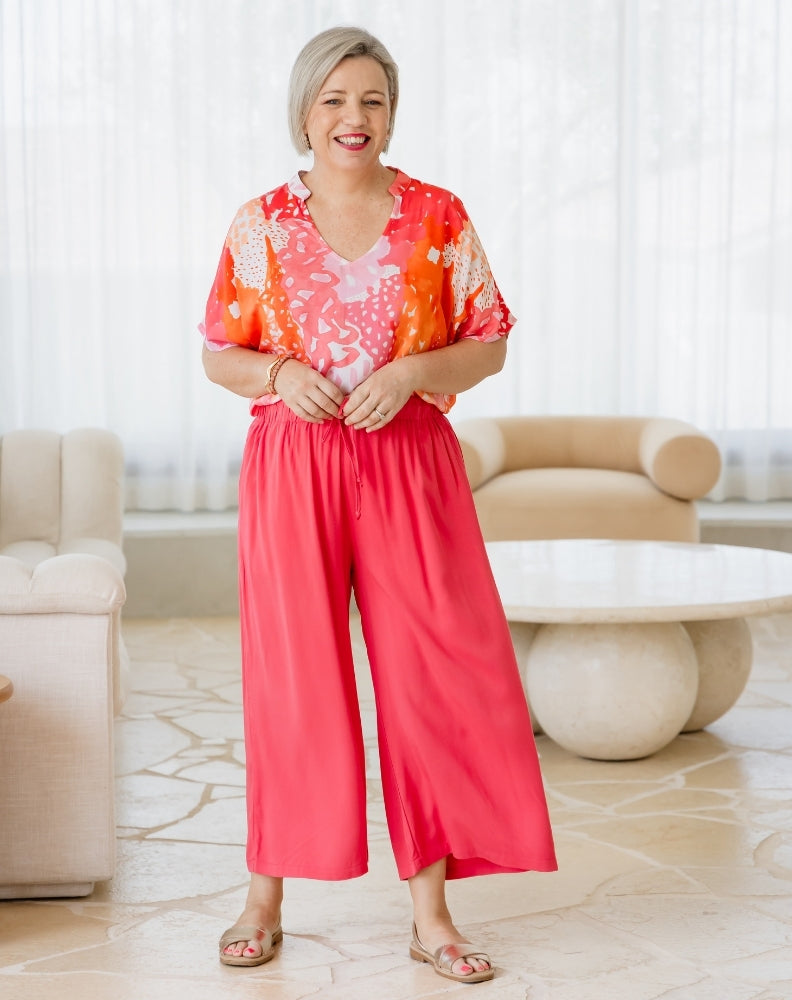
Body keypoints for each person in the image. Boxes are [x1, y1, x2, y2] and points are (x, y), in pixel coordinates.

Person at [201, 25, 556, 984]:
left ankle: (432, 914)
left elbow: (490, 342)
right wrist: (276, 367)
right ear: (304, 111)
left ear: (391, 112)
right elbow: (216, 351)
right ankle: (263, 895)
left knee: (432, 679)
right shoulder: (260, 223)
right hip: (293, 465)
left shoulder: (438, 215)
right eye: (334, 100)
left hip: (411, 466)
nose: (352, 118)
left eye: (371, 101)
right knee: (292, 680)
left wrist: (412, 373)